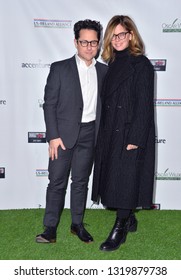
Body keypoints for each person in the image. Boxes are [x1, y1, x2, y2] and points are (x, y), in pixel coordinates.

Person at [36, 19, 107, 244]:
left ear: (99, 44)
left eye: (93, 42)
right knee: (56, 182)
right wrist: (53, 136)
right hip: (62, 136)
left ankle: (77, 225)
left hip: (89, 134)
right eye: (84, 42)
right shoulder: (59, 68)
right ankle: (50, 228)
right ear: (75, 42)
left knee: (80, 182)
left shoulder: (105, 71)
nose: (88, 47)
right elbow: (49, 105)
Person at [92, 15, 155, 251]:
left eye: (122, 34)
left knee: (126, 181)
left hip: (130, 132)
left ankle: (120, 227)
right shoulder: (111, 65)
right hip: (111, 132)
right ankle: (129, 217)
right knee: (114, 179)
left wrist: (135, 139)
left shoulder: (142, 64)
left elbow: (143, 105)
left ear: (131, 35)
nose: (117, 39)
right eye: (113, 35)